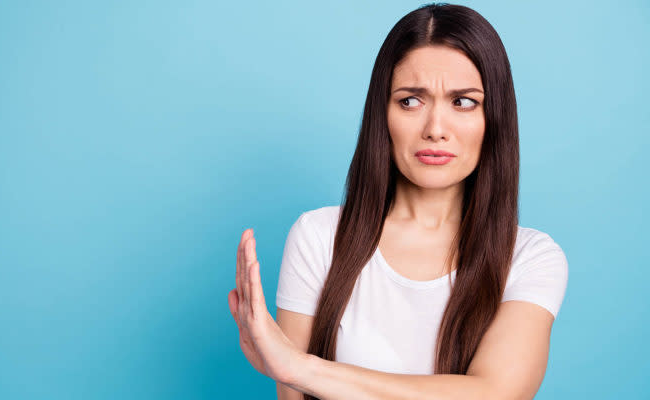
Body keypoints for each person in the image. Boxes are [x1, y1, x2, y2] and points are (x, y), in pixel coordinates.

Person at [228, 3, 568, 400]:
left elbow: (495, 393)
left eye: (463, 102)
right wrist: (295, 375)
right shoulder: (319, 237)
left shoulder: (530, 257)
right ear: (382, 113)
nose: (435, 129)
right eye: (410, 101)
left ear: (494, 119)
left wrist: (302, 368)